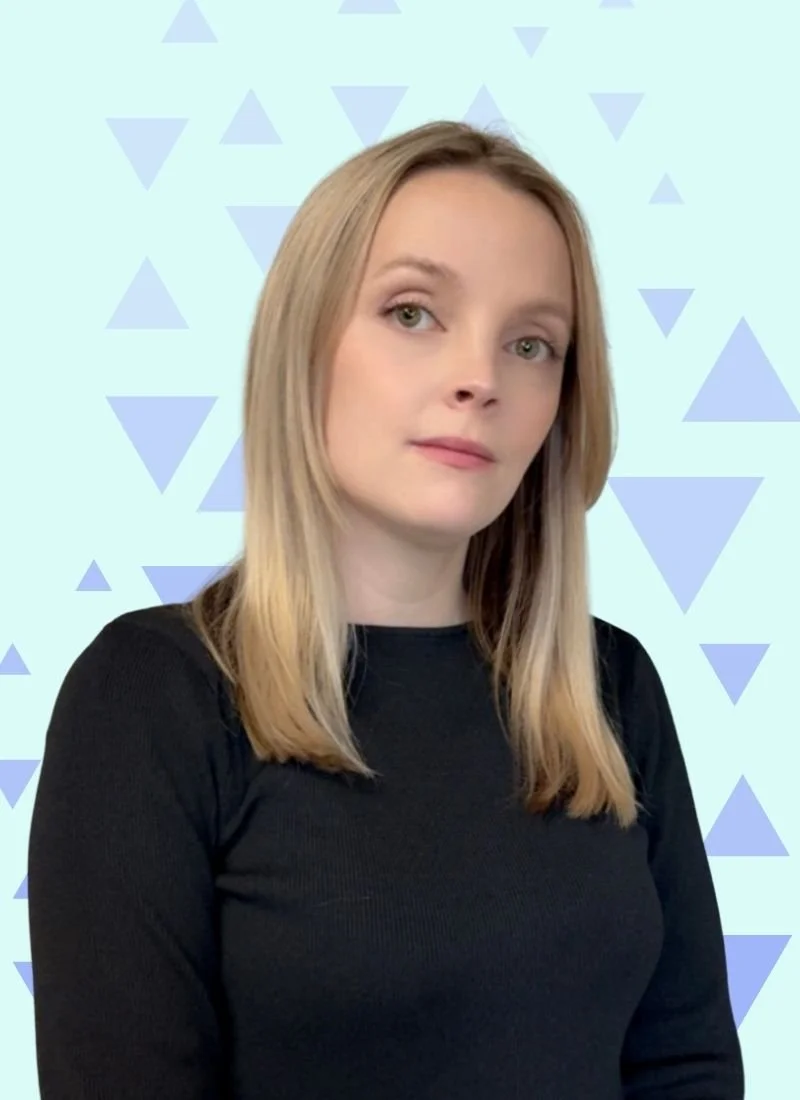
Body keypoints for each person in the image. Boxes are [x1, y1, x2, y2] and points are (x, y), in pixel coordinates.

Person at [27, 120, 745, 1098]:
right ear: (303, 342)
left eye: (530, 343)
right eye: (412, 313)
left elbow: (686, 1066)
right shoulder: (155, 696)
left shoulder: (609, 687)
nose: (479, 378)